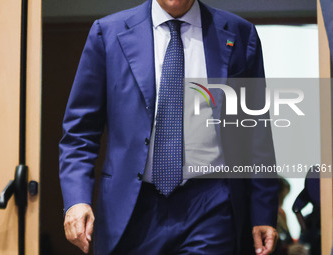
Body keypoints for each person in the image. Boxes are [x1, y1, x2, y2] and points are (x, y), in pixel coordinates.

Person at [59, 0, 279, 254]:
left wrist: (263, 211)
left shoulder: (239, 34)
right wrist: (76, 199)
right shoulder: (107, 33)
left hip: (210, 204)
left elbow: (256, 131)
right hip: (131, 205)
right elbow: (80, 133)